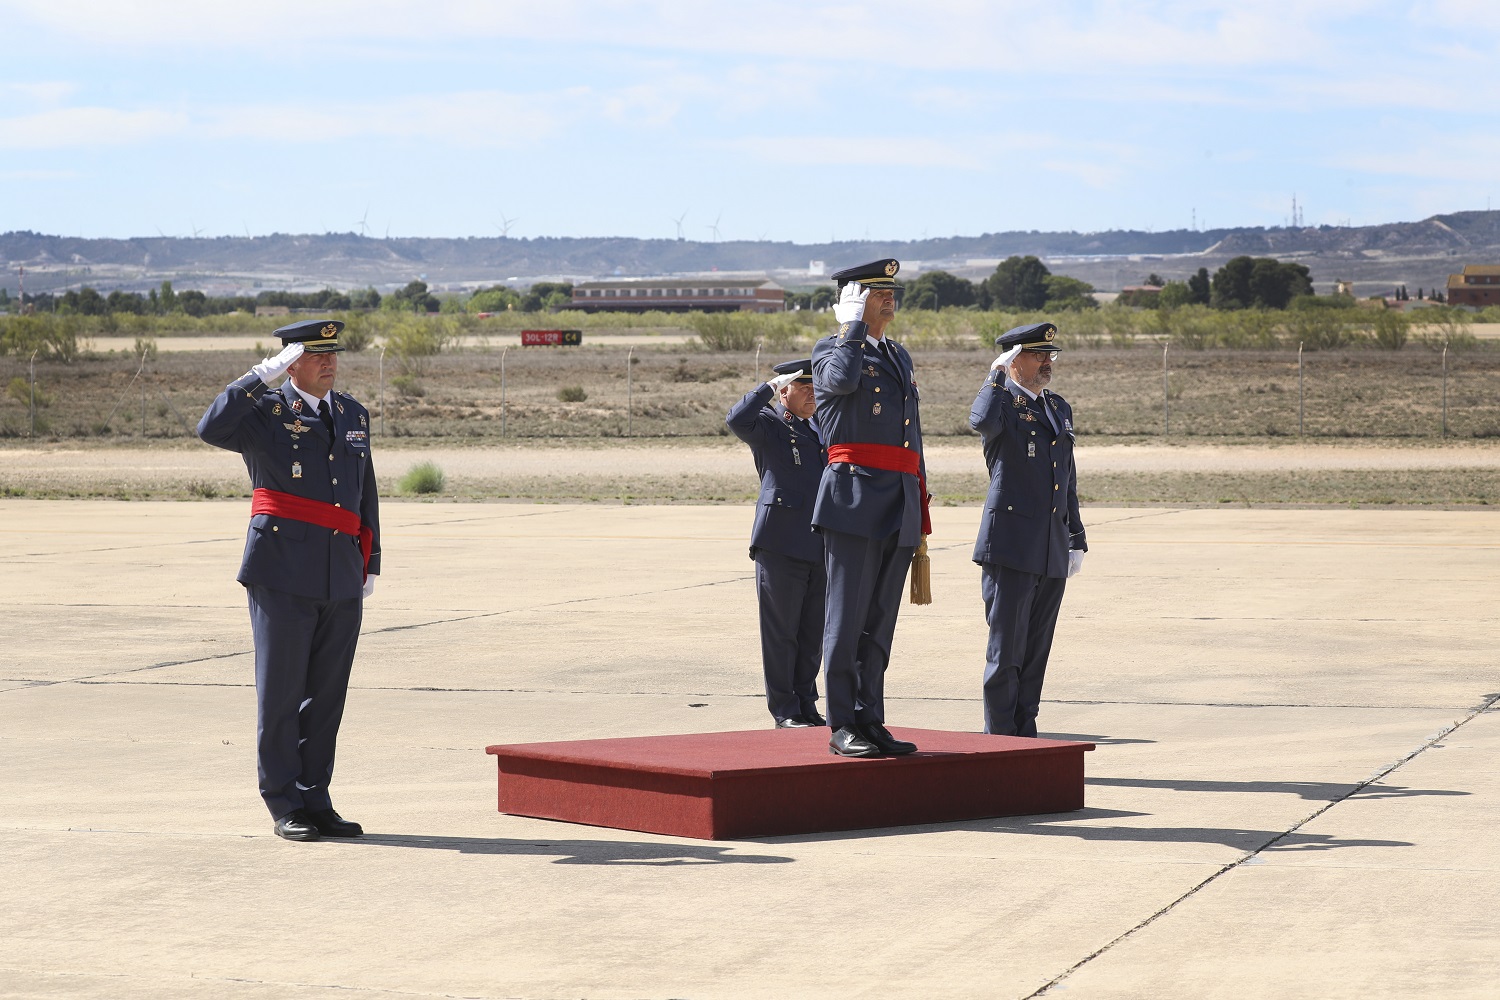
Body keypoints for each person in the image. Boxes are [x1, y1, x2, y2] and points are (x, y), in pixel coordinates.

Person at [197, 319, 381, 842]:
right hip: (282, 570)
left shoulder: (351, 413)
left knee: (326, 696)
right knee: (280, 693)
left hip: (340, 570)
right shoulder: (265, 412)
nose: (329, 363)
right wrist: (258, 378)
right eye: (316, 356)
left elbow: (364, 489)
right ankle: (283, 803)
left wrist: (371, 559)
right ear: (291, 363)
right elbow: (210, 428)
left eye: (333, 355)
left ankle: (316, 798)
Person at [811, 258, 930, 758]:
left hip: (898, 497)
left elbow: (912, 435)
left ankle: (871, 717)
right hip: (855, 497)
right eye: (876, 292)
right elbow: (838, 383)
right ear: (852, 300)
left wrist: (920, 497)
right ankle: (843, 723)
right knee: (847, 616)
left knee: (879, 619)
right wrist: (853, 326)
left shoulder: (897, 356)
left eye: (890, 292)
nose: (889, 298)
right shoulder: (831, 351)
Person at [969, 322, 1086, 737]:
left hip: (1051, 545)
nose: (1047, 362)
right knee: (1007, 650)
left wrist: (1076, 537)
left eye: (1050, 355)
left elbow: (1066, 477)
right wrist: (994, 375)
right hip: (1011, 543)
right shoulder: (1000, 404)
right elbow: (978, 420)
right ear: (1013, 360)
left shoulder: (1057, 407)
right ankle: (1000, 736)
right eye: (1037, 355)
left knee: (1036, 649)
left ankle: (1026, 732)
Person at [726, 359, 829, 728]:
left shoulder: (823, 426)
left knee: (811, 632)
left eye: (815, 386)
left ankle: (806, 703)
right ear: (784, 391)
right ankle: (785, 710)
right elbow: (737, 420)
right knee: (781, 632)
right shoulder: (770, 423)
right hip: (781, 542)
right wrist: (766, 388)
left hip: (820, 543)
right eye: (802, 386)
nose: (811, 393)